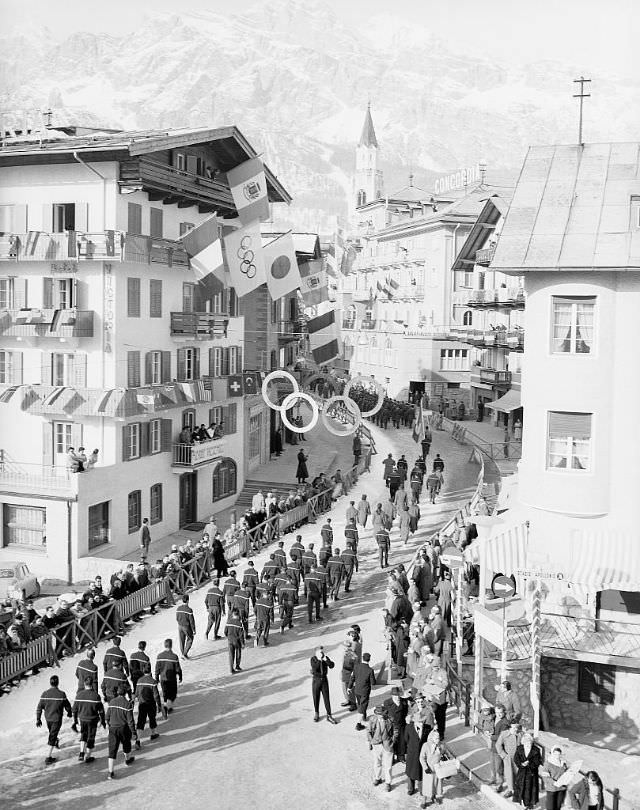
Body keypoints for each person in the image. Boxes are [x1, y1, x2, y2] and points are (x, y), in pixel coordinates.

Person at [36, 675, 72, 765]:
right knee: (52, 735)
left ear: (50, 683)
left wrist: (38, 719)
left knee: (52, 733)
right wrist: (69, 712)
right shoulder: (61, 694)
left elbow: (39, 707)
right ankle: (48, 757)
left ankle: (54, 741)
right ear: (58, 683)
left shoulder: (44, 694)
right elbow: (67, 705)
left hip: (48, 718)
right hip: (56, 719)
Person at [105, 683, 138, 779]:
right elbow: (130, 721)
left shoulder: (111, 702)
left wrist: (109, 726)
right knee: (126, 744)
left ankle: (110, 772)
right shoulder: (127, 704)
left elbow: (107, 717)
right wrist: (133, 733)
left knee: (112, 750)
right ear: (125, 693)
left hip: (113, 728)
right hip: (123, 728)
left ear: (117, 692)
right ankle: (127, 759)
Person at [72, 675, 106, 763]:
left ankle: (81, 752)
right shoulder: (96, 696)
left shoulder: (79, 695)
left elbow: (74, 710)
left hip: (82, 719)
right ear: (92, 684)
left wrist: (75, 721)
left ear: (84, 684)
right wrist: (102, 721)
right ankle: (88, 757)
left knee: (83, 735)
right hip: (93, 720)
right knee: (91, 737)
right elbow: (101, 711)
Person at [367, 705, 395, 792]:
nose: (380, 716)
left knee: (388, 765)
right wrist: (371, 741)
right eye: (378, 714)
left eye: (382, 714)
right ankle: (377, 778)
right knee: (377, 763)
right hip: (376, 744)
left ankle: (388, 783)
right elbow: (368, 731)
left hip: (388, 745)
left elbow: (395, 731)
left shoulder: (390, 720)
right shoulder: (372, 720)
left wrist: (392, 741)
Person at [513, 731, 542, 809]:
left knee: (530, 789)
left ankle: (529, 804)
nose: (527, 742)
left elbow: (538, 761)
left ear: (531, 741)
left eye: (529, 741)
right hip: (522, 772)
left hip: (531, 773)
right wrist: (521, 764)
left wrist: (529, 764)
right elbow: (516, 758)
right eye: (526, 741)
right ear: (523, 741)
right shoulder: (519, 748)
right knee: (521, 787)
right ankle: (523, 801)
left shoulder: (536, 750)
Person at [405, 709, 430, 795]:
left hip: (422, 754)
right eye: (419, 721)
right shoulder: (408, 727)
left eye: (422, 721)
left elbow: (428, 741)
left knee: (420, 773)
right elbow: (406, 739)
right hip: (412, 753)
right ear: (414, 721)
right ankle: (410, 788)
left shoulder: (427, 728)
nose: (421, 723)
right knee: (410, 771)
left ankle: (421, 789)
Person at [134, 662, 162, 743]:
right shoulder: (152, 681)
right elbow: (156, 695)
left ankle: (138, 739)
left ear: (143, 670)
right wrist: (159, 705)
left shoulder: (139, 680)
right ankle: (153, 733)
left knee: (141, 720)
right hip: (151, 703)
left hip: (142, 703)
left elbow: (136, 693)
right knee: (152, 718)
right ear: (150, 671)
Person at [310, 646, 337, 724]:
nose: (322, 653)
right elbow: (315, 668)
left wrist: (326, 660)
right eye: (320, 652)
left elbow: (332, 665)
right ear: (316, 653)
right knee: (316, 697)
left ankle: (329, 715)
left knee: (326, 698)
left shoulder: (325, 657)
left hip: (324, 680)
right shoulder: (313, 659)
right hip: (316, 680)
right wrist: (319, 660)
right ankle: (316, 713)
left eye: (322, 651)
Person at [155, 639, 182, 717]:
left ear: (164, 645)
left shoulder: (159, 656)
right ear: (171, 645)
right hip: (172, 679)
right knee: (173, 694)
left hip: (163, 678)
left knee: (165, 693)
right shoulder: (174, 656)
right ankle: (167, 707)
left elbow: (157, 668)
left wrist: (156, 678)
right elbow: (178, 669)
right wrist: (180, 676)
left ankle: (167, 707)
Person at [495, 720, 521, 799]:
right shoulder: (504, 734)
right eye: (513, 728)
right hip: (508, 757)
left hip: (518, 758)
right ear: (509, 728)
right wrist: (504, 755)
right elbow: (498, 745)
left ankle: (518, 790)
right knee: (509, 773)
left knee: (518, 773)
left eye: (517, 727)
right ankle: (510, 789)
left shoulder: (520, 734)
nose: (515, 729)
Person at [350, 652, 376, 731]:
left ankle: (364, 716)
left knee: (360, 704)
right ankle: (358, 724)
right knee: (362, 706)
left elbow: (352, 678)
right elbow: (373, 683)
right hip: (365, 691)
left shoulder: (356, 667)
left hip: (357, 690)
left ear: (362, 658)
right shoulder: (370, 670)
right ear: (369, 659)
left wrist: (349, 687)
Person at [419, 728, 443, 807]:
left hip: (438, 769)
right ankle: (423, 800)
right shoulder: (426, 745)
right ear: (432, 738)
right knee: (427, 785)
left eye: (439, 738)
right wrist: (425, 767)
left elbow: (444, 754)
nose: (438, 740)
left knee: (437, 784)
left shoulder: (441, 745)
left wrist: (444, 759)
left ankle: (435, 796)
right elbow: (421, 757)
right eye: (436, 738)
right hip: (429, 769)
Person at [225, 607, 245, 674]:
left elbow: (225, 631)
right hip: (237, 641)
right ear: (238, 614)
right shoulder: (239, 624)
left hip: (230, 640)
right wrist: (242, 643)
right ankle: (237, 666)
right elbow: (241, 635)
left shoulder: (228, 621)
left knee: (231, 654)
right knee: (238, 652)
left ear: (232, 614)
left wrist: (228, 637)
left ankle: (231, 669)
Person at [176, 594, 196, 659]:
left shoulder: (178, 608)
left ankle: (183, 654)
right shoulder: (189, 610)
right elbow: (191, 621)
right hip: (186, 627)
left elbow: (177, 618)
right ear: (188, 600)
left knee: (181, 640)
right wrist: (193, 629)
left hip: (179, 626)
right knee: (190, 639)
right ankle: (184, 654)